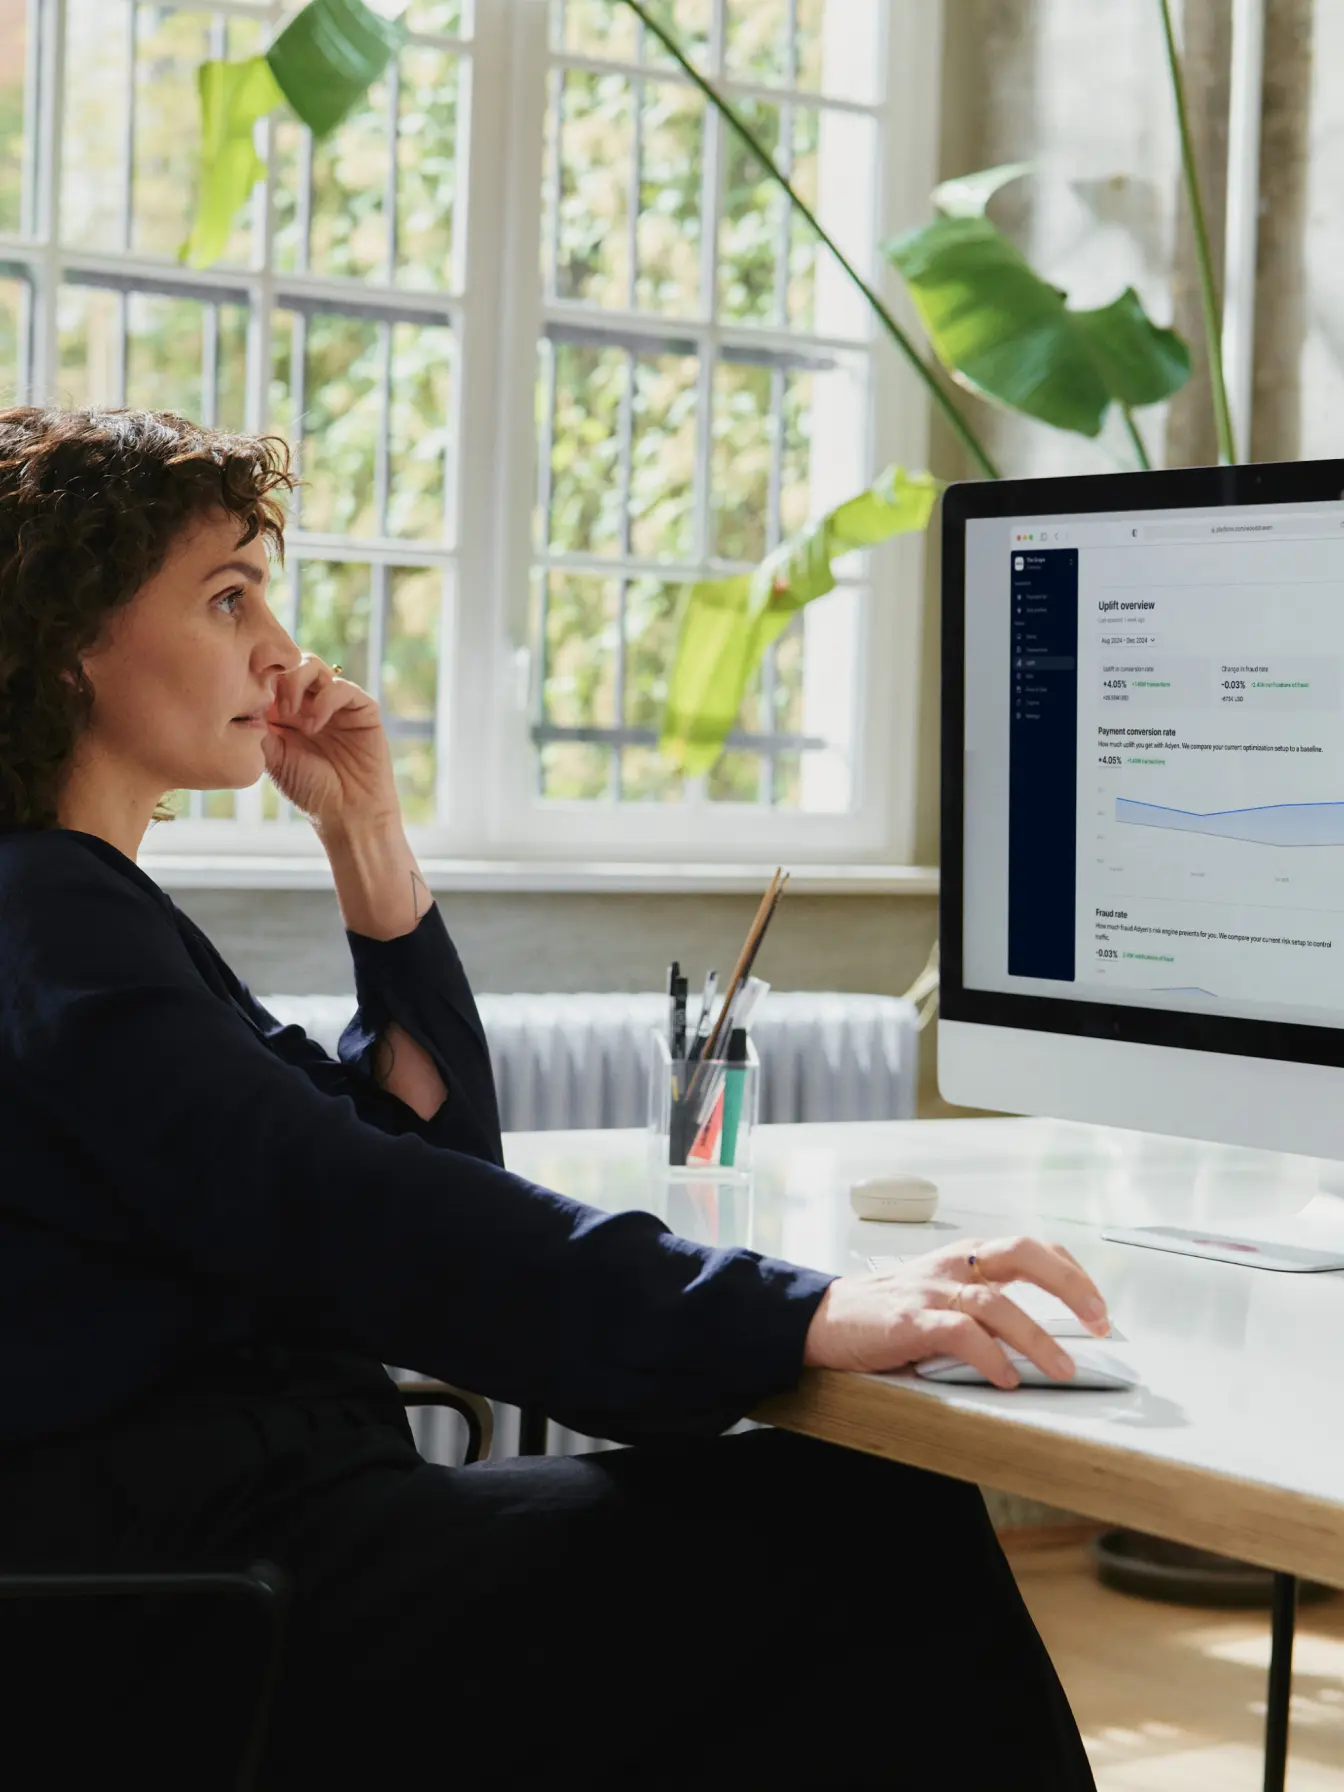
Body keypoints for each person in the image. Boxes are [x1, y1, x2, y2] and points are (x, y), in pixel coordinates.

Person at [0, 406, 1102, 1790]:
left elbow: (406, 1145)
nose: (280, 649)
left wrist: (367, 831)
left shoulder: (75, 908)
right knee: (871, 1526)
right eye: (227, 598)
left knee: (842, 1534)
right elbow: (368, 1212)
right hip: (204, 1618)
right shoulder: (50, 918)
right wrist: (804, 1308)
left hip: (257, 1563)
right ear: (65, 643)